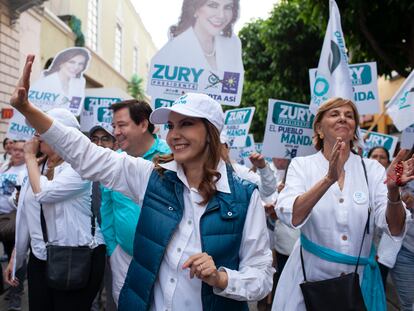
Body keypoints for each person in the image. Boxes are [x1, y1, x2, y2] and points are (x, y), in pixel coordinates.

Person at [11, 55, 274, 311]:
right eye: (171, 126)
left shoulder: (244, 196)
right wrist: (29, 110)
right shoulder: (151, 176)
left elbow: (262, 276)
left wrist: (221, 278)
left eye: (186, 124)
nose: (175, 135)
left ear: (211, 132)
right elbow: (87, 154)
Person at [272, 97, 413, 311]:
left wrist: (393, 192)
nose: (343, 118)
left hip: (358, 285)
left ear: (355, 128)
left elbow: (394, 226)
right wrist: (329, 179)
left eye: (349, 115)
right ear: (319, 128)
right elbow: (292, 215)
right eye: (335, 114)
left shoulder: (371, 169)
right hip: (310, 282)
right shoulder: (302, 165)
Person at [4, 108, 106, 311]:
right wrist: (17, 256)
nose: (36, 135)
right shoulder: (38, 167)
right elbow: (26, 216)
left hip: (78, 256)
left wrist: (29, 158)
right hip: (42, 257)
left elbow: (44, 193)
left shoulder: (79, 167)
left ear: (62, 135)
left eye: (41, 129)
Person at [100, 100, 170, 305]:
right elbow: (107, 209)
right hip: (123, 256)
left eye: (122, 125)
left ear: (142, 124)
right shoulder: (113, 162)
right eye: (114, 126)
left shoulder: (170, 157)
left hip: (164, 260)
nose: (116, 132)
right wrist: (113, 249)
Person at [148, 0, 243, 106]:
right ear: (195, 9)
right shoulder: (173, 51)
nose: (221, 15)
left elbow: (231, 90)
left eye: (228, 7)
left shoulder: (233, 43)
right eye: (213, 5)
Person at [88, 123, 117, 311]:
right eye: (95, 139)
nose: (99, 143)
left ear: (114, 143)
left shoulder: (122, 167)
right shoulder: (81, 167)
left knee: (111, 293)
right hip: (88, 243)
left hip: (113, 245)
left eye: (105, 138)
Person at [0, 140, 26, 311]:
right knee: (8, 255)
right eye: (14, 150)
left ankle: (16, 293)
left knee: (16, 257)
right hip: (1, 217)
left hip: (14, 219)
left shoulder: (27, 170)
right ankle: (8, 286)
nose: (16, 153)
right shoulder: (5, 166)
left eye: (21, 150)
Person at [29, 47, 90, 113]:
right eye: (72, 62)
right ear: (60, 64)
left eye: (81, 64)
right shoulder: (42, 85)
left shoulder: (77, 85)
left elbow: (75, 110)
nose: (76, 67)